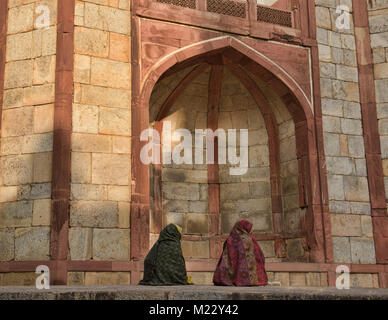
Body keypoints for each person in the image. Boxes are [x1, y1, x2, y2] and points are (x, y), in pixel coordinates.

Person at [213, 219, 268, 286]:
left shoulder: (231, 238)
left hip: (234, 273)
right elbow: (259, 254)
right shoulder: (250, 239)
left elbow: (226, 255)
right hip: (254, 276)